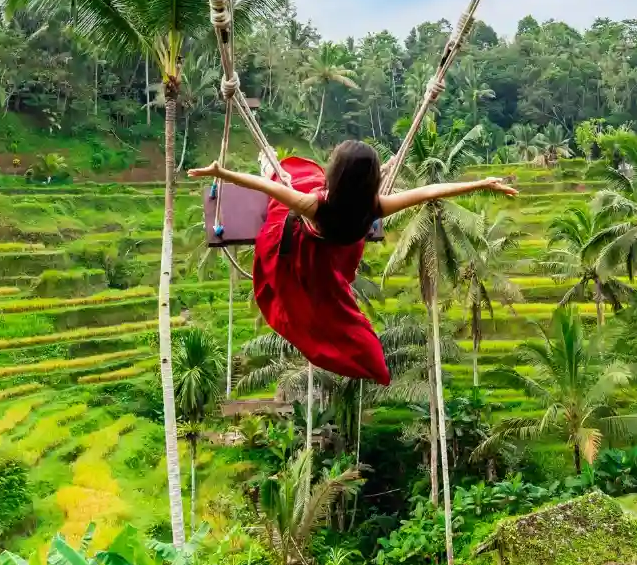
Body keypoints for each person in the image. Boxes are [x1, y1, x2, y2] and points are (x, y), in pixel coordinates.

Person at [189, 141, 516, 386]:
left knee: (291, 183)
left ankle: (269, 162)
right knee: (296, 182)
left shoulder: (314, 204)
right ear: (372, 181)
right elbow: (430, 191)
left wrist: (220, 172)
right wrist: (482, 183)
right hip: (333, 255)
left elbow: (266, 187)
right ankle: (273, 164)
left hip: (295, 252)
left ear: (337, 177)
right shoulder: (375, 206)